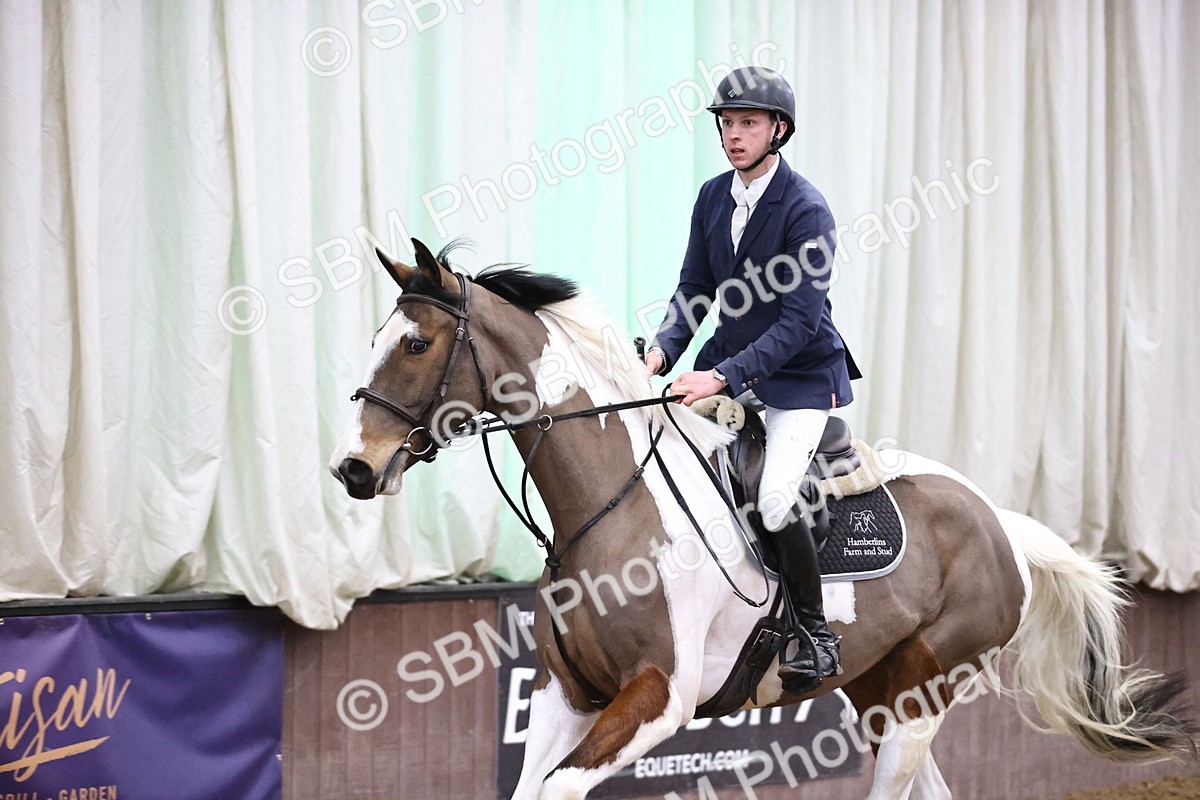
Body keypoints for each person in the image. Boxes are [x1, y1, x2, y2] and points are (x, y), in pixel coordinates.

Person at [644, 66, 860, 691]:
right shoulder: (713, 197)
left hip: (798, 377)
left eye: (748, 124)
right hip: (729, 364)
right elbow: (694, 290)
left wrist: (719, 376)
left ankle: (815, 634)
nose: (734, 135)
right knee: (665, 457)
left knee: (771, 497)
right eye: (727, 123)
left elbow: (797, 323)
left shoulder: (806, 210)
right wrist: (660, 354)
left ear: (778, 130)